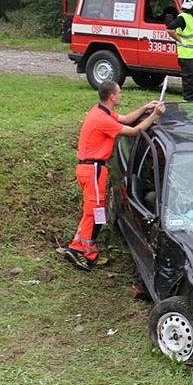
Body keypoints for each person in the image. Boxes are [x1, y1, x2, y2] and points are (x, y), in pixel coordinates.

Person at [65, 81, 165, 271]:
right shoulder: (102, 120)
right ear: (112, 97)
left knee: (96, 210)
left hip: (94, 169)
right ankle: (81, 251)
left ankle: (83, 249)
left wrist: (145, 107)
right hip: (93, 169)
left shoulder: (100, 111)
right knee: (94, 212)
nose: (120, 95)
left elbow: (127, 119)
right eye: (119, 93)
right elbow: (134, 131)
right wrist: (155, 115)